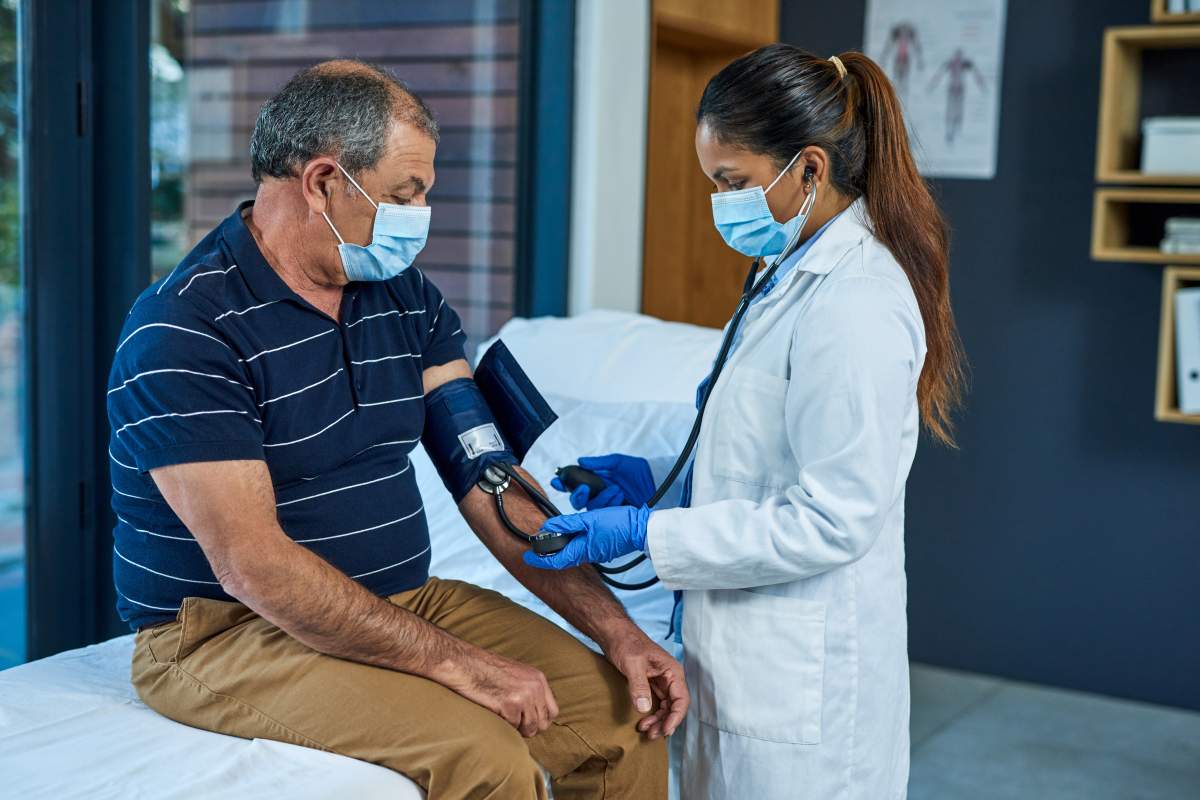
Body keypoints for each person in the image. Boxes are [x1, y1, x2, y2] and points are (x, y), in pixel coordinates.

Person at [107, 60, 687, 800]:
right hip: (226, 632)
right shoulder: (186, 330)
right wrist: (460, 664)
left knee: (620, 718)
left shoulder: (402, 297)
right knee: (487, 758)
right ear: (322, 183)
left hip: (401, 597)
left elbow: (485, 477)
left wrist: (618, 630)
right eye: (404, 194)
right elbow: (256, 568)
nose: (420, 215)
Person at [528, 45, 965, 799]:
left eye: (733, 182)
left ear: (810, 170)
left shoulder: (855, 303)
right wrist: (666, 488)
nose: (721, 203)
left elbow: (833, 518)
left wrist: (646, 534)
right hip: (742, 658)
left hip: (807, 688)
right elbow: (767, 453)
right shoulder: (786, 271)